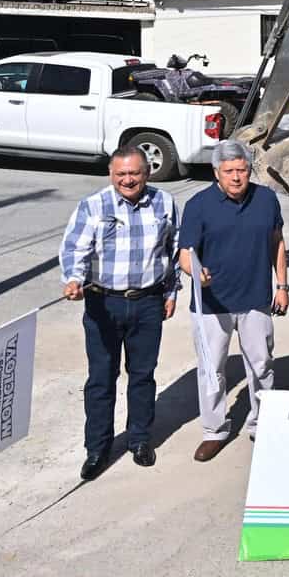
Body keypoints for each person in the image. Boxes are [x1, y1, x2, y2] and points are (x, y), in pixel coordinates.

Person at [59, 146, 178, 480]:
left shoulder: (165, 203)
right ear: (111, 174)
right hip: (103, 303)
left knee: (142, 375)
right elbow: (75, 248)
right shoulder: (93, 205)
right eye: (121, 174)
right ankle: (97, 448)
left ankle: (139, 440)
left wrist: (171, 292)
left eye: (134, 173)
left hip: (148, 302)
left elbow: (173, 249)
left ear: (147, 173)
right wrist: (73, 279)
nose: (128, 180)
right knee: (101, 378)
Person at [177, 140, 287, 461]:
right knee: (212, 370)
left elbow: (277, 242)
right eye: (229, 171)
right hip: (212, 305)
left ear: (249, 170)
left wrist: (282, 285)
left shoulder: (266, 199)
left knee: (262, 365)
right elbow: (185, 254)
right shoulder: (198, 205)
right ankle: (214, 430)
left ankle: (261, 423)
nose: (236, 177)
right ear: (216, 173)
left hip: (256, 299)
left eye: (242, 170)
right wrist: (195, 272)